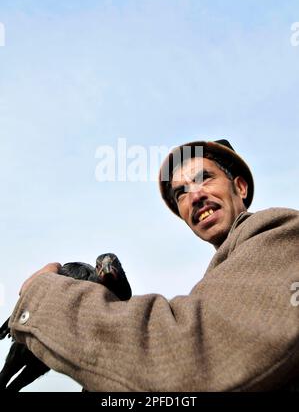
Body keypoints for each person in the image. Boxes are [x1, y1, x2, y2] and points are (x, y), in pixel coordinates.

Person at [8, 139, 299, 391]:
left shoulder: (279, 232)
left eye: (204, 178)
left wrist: (44, 295)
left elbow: (188, 361)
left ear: (240, 187)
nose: (194, 196)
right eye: (181, 193)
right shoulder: (225, 276)